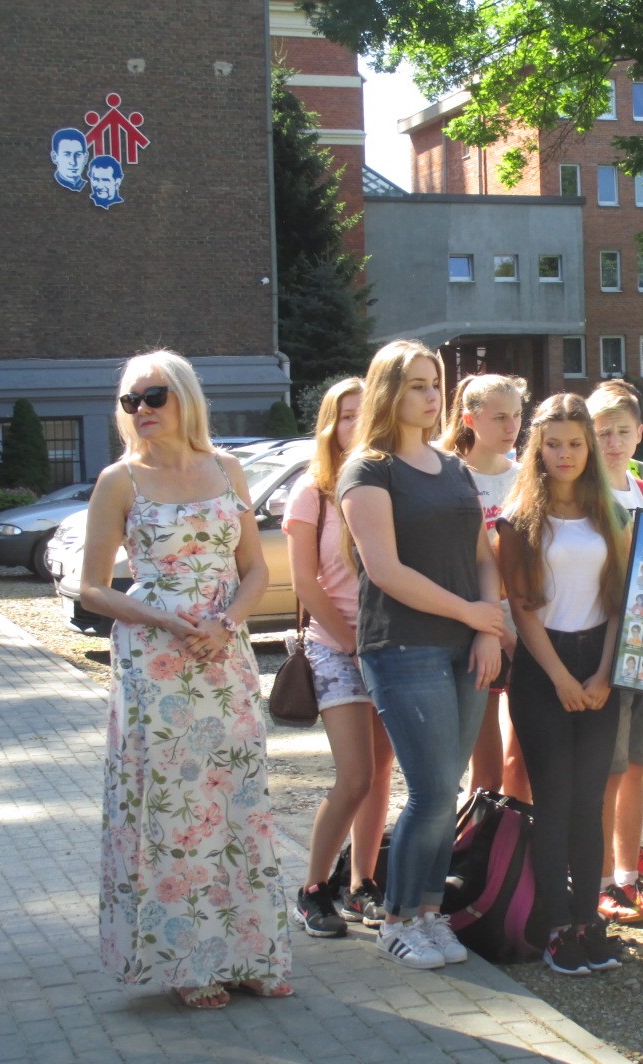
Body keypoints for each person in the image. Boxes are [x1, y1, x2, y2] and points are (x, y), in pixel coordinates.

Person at [86, 350, 290, 1009]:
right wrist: (164, 619)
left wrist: (227, 622)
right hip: (157, 666)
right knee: (175, 810)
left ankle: (251, 951)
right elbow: (92, 588)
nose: (141, 410)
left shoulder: (227, 468)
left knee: (237, 800)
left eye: (154, 396)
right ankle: (190, 961)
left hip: (224, 657)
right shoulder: (119, 480)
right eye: (131, 401)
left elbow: (255, 568)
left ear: (184, 398)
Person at [337, 340, 505, 971]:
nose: (432, 396)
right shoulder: (368, 470)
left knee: (446, 790)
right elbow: (384, 570)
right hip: (403, 647)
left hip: (467, 648)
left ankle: (431, 913)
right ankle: (397, 919)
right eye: (416, 384)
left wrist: (487, 628)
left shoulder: (454, 468)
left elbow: (484, 557)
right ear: (388, 391)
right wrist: (471, 614)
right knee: (432, 791)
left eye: (435, 383)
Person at [497, 394, 630, 974]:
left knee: (589, 802)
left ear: (590, 448)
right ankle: (555, 926)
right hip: (542, 666)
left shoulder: (612, 513)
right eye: (553, 444)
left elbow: (621, 600)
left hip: (600, 661)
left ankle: (587, 920)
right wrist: (559, 677)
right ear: (538, 448)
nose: (565, 454)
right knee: (553, 801)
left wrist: (603, 673)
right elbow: (522, 607)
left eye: (576, 443)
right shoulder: (518, 518)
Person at [286, 378, 396, 936]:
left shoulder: (387, 483)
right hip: (335, 647)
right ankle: (312, 889)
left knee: (381, 772)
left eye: (365, 414)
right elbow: (304, 582)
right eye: (346, 416)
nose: (356, 425)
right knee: (354, 775)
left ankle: (361, 884)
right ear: (330, 426)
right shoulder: (313, 492)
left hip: (387, 646)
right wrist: (349, 642)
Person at [442, 374, 528, 799]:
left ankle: (517, 841)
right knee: (486, 777)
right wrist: (490, 630)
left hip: (527, 628)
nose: (512, 427)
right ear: (470, 419)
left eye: (517, 415)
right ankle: (477, 839)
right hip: (473, 630)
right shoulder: (449, 475)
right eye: (499, 418)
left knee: (522, 768)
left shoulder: (528, 477)